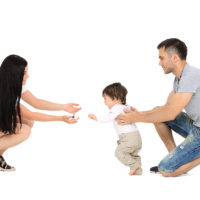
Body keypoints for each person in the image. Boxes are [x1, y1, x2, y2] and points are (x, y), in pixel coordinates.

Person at [116, 38, 200, 177]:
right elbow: (167, 108)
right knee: (158, 114)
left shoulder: (191, 76)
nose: (159, 63)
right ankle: (175, 158)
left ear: (174, 58)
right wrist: (140, 113)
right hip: (196, 126)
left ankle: (172, 165)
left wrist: (136, 117)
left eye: (161, 58)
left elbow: (171, 113)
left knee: (165, 170)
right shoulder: (180, 78)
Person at [0, 55, 81, 171]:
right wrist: (61, 118)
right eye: (25, 73)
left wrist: (63, 107)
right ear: (14, 74)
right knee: (24, 130)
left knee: (28, 122)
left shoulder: (11, 84)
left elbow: (36, 102)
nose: (28, 76)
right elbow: (31, 113)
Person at [88, 83, 142, 175]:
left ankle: (134, 165)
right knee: (133, 154)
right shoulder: (126, 107)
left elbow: (109, 117)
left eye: (105, 98)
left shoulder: (116, 108)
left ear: (114, 98)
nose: (104, 101)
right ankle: (137, 171)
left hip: (128, 138)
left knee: (119, 153)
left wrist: (97, 118)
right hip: (136, 138)